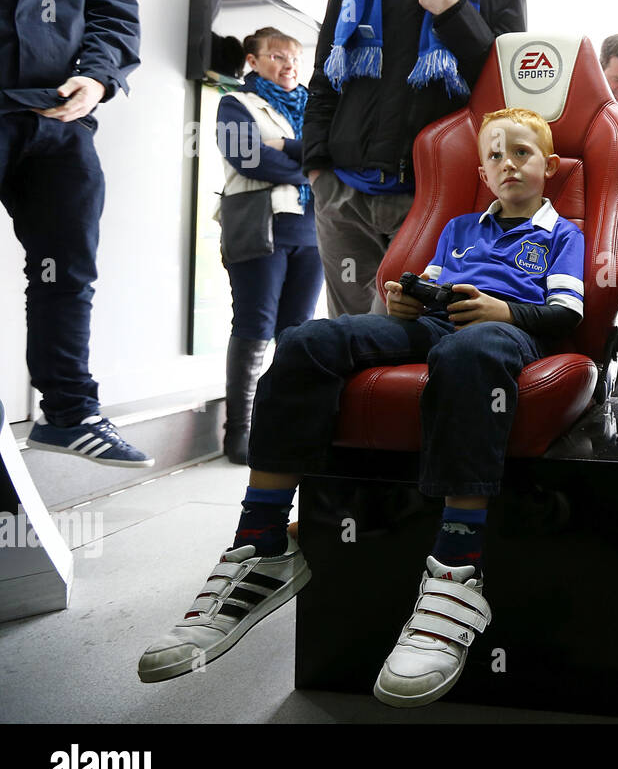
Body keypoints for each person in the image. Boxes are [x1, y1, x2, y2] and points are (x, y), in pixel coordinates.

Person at [138, 108, 585, 707]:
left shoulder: (564, 234)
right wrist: (405, 302)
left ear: (550, 167)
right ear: (481, 169)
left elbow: (566, 317)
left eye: (523, 153)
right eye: (496, 155)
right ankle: (263, 540)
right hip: (433, 323)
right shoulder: (457, 229)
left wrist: (505, 312)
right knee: (307, 341)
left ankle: (457, 567)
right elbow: (428, 287)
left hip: (507, 334)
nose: (509, 164)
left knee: (471, 352)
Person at [304, 0, 527, 318]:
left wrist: (453, 13)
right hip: (343, 193)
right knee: (347, 338)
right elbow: (326, 74)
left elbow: (504, 92)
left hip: (435, 195)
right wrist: (317, 170)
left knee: (415, 340)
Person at [1, 0, 151, 467]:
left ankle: (66, 412)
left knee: (66, 270)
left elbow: (114, 9)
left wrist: (97, 74)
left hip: (58, 120)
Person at [214, 28, 324, 465]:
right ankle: (237, 432)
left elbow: (331, 153)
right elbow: (250, 158)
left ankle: (280, 425)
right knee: (255, 325)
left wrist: (291, 148)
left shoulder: (314, 109)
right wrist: (308, 166)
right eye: (277, 56)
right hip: (258, 227)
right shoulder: (234, 103)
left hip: (313, 231)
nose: (289, 66)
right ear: (253, 61)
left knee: (296, 332)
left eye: (295, 58)